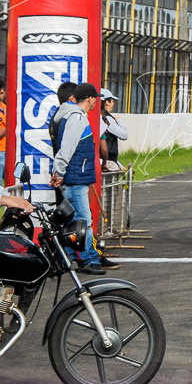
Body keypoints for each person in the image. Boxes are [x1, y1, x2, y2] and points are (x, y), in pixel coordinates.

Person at [50, 82, 109, 274]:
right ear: (90, 99)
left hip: (75, 177)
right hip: (75, 179)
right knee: (83, 221)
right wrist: (58, 172)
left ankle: (69, 256)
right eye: (96, 99)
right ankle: (88, 259)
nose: (96, 103)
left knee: (73, 221)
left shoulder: (72, 116)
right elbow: (67, 148)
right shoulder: (76, 118)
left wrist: (59, 172)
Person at [98, 88, 128, 172]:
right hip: (106, 164)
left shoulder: (99, 116)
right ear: (106, 102)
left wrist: (119, 164)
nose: (113, 103)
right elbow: (124, 135)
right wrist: (118, 120)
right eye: (112, 101)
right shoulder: (107, 118)